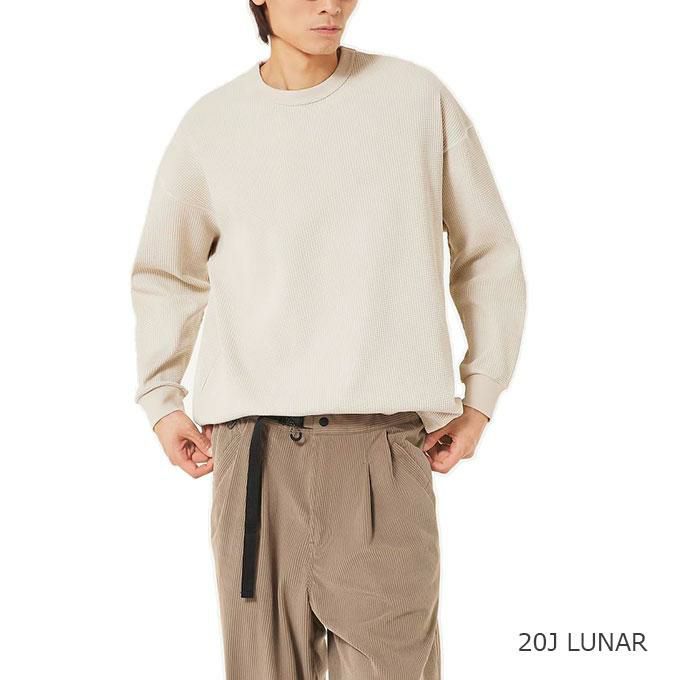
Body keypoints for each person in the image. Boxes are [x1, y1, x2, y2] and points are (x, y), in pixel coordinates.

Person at [130, 1, 526, 678]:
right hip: (253, 460)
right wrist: (161, 398)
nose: (330, 2)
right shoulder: (213, 126)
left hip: (382, 451)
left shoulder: (414, 100)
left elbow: (487, 251)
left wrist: (481, 395)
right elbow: (166, 271)